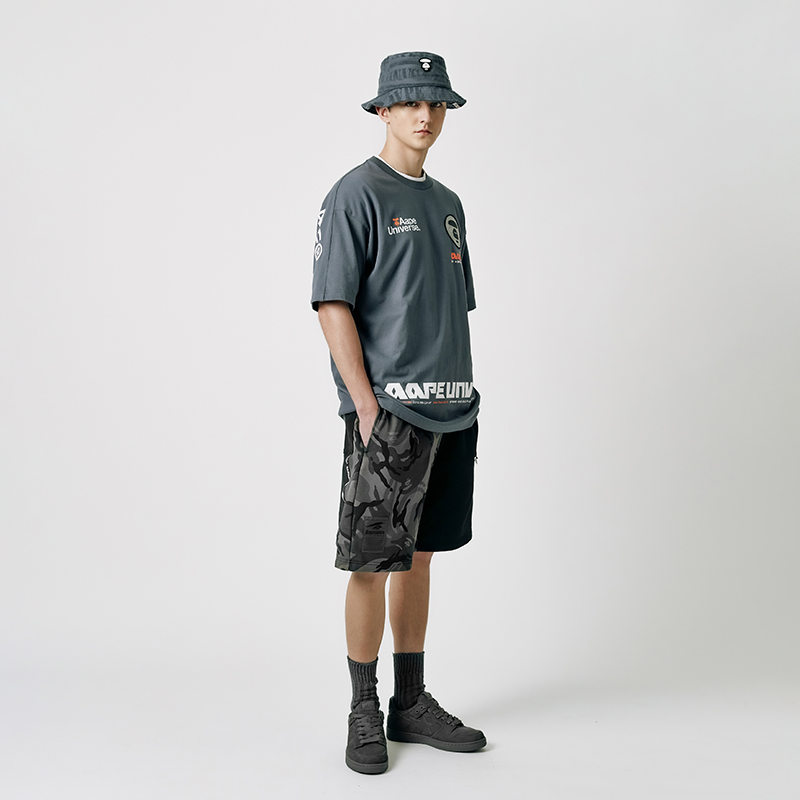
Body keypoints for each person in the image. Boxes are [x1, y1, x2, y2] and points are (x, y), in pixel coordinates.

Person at [311, 51, 485, 775]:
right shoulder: (356, 193)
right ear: (383, 110)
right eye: (411, 102)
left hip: (453, 409)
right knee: (372, 562)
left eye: (436, 103)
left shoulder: (448, 204)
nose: (425, 115)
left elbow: (449, 307)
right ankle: (363, 708)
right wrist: (362, 402)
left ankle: (409, 702)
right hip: (388, 415)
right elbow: (333, 303)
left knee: (420, 555)